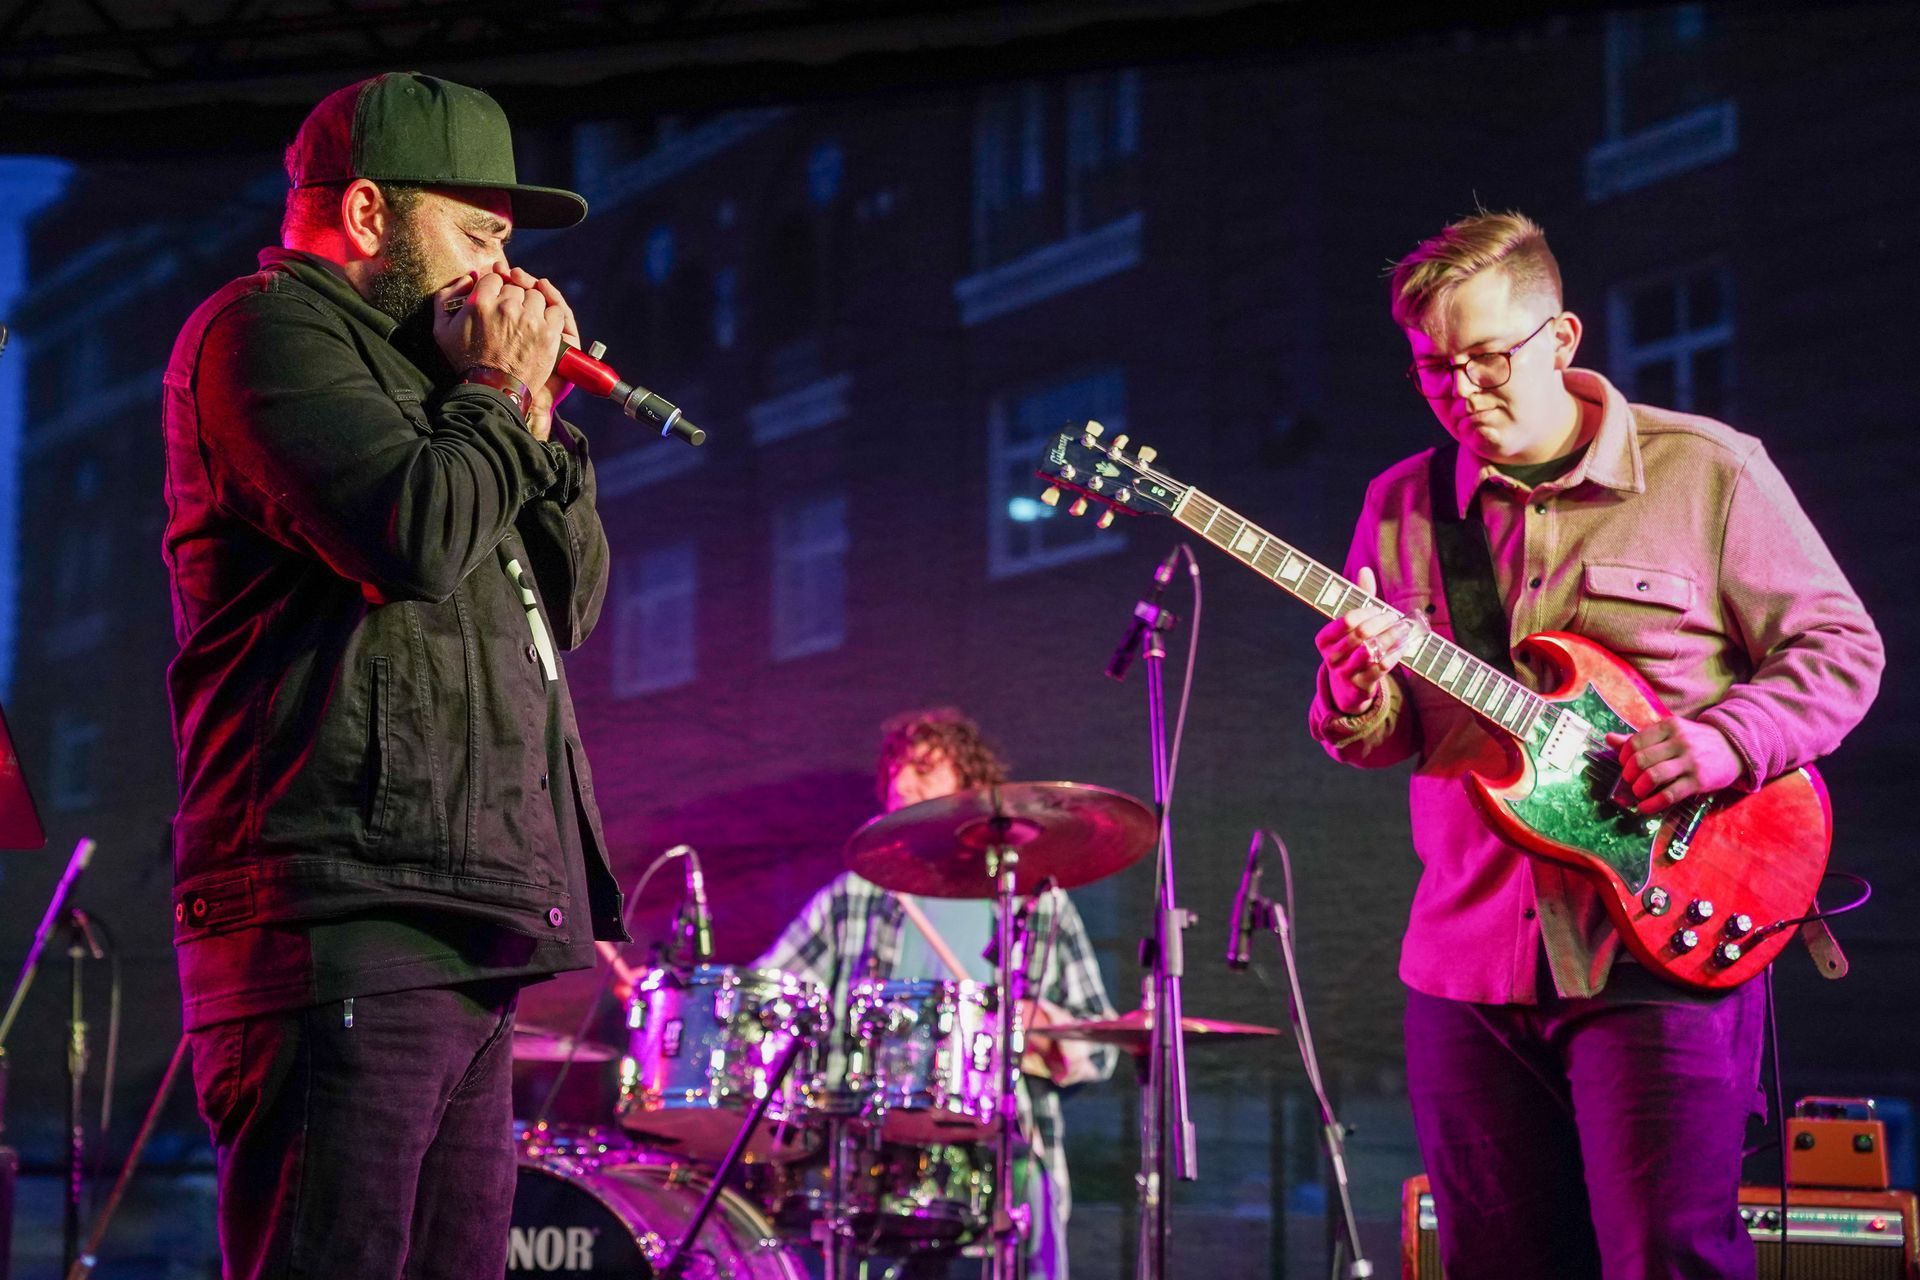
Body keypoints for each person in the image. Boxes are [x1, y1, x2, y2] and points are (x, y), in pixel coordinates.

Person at [1308, 210, 1883, 1280]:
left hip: (1662, 941)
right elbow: (1388, 737)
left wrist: (1723, 742)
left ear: (1562, 337)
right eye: (1434, 368)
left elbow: (1844, 651)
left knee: (1667, 1257)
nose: (1462, 390)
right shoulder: (1400, 504)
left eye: (1488, 359)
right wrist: (1357, 695)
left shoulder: (1707, 471)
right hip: (1469, 958)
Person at [162, 72, 627, 1279]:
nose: (503, 275)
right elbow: (410, 532)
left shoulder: (449, 382)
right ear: (370, 215)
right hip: (340, 915)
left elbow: (567, 605)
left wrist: (542, 426)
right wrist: (495, 394)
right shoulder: (262, 332)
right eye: (475, 234)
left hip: (464, 918)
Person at [757, 708, 1119, 1278]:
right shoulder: (859, 894)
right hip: (872, 1159)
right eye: (898, 772)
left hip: (1008, 1152)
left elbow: (1101, 1043)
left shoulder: (1033, 900)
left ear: (970, 787)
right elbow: (772, 996)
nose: (905, 782)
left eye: (926, 767)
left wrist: (1037, 1023)